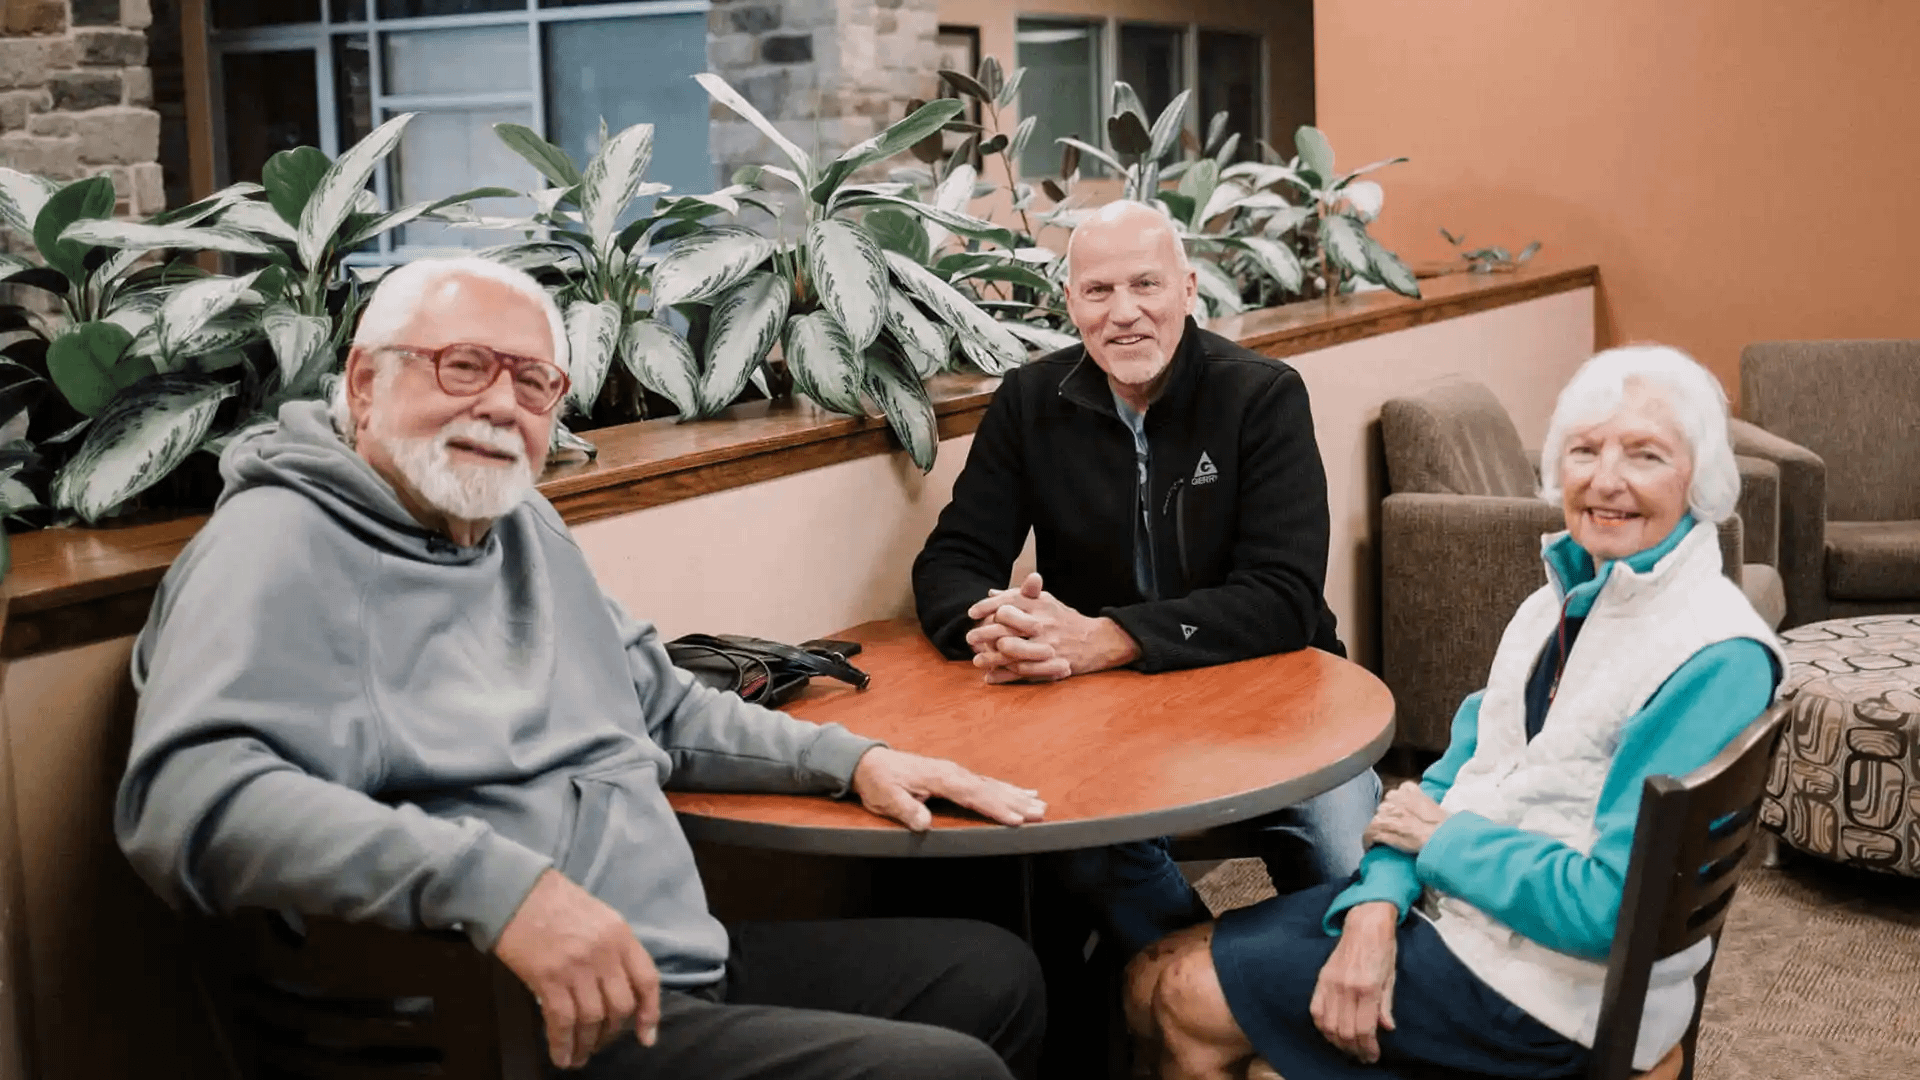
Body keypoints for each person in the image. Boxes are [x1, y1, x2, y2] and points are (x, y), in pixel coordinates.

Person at [114, 256, 1051, 1080]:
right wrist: (500, 889)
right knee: (942, 1070)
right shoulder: (276, 545)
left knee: (993, 974)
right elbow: (189, 796)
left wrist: (853, 762)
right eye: (463, 367)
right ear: (364, 384)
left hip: (664, 967)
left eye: (533, 384)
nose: (497, 406)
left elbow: (665, 708)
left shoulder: (519, 524)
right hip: (509, 1018)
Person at [1123, 344, 1785, 1080]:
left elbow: (1611, 909)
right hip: (1470, 919)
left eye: (1646, 456)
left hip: (1551, 993)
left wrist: (1439, 845)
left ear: (1702, 481)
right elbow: (1454, 778)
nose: (1606, 480)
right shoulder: (1558, 603)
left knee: (1178, 998)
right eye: (1585, 450)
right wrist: (1375, 907)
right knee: (1150, 974)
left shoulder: (1713, 655)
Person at [910, 199, 1380, 961]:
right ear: (1070, 304)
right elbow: (950, 561)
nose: (1124, 314)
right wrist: (1006, 630)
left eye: (1146, 286)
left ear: (1188, 290)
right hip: (1112, 718)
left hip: (1279, 695)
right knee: (1085, 849)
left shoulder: (1261, 396)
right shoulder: (1030, 402)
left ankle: (1284, 999)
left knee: (1345, 862)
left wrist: (1111, 638)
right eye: (1098, 292)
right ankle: (1195, 978)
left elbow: (1285, 597)